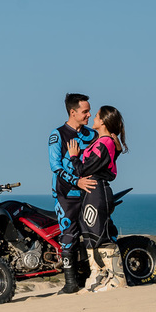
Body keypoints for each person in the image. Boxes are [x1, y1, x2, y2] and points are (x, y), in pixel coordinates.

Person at [66, 105, 128, 292]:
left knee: (100, 234)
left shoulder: (105, 143)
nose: (92, 117)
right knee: (89, 233)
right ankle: (100, 275)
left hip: (97, 191)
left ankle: (117, 279)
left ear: (103, 122)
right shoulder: (101, 141)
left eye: (97, 116)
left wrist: (74, 157)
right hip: (90, 192)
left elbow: (85, 169)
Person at [49, 93, 98, 295]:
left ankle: (98, 276)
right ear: (73, 112)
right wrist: (77, 181)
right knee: (68, 237)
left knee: (95, 234)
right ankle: (70, 284)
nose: (89, 115)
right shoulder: (57, 134)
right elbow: (55, 166)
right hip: (66, 195)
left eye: (89, 111)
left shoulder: (92, 135)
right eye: (85, 111)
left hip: (90, 193)